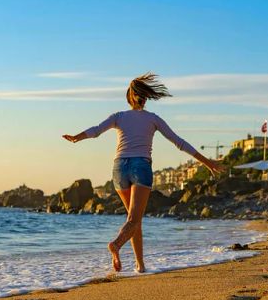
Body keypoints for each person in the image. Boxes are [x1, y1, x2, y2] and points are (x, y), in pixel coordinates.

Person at [62, 73, 224, 273]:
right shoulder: (153, 119)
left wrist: (77, 138)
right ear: (145, 98)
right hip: (140, 166)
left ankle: (140, 265)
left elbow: (96, 131)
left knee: (134, 219)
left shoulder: (118, 117)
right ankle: (116, 244)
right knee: (134, 219)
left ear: (129, 97)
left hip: (119, 167)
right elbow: (179, 142)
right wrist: (207, 162)